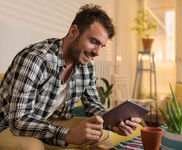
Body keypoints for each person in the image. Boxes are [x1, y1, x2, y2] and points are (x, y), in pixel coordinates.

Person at [0, 4, 141, 150]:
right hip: (7, 126)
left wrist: (114, 123)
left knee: (104, 137)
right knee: (31, 147)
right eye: (93, 42)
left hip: (48, 121)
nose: (97, 52)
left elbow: (92, 105)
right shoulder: (36, 59)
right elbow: (18, 121)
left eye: (102, 46)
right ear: (73, 31)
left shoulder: (86, 65)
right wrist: (68, 135)